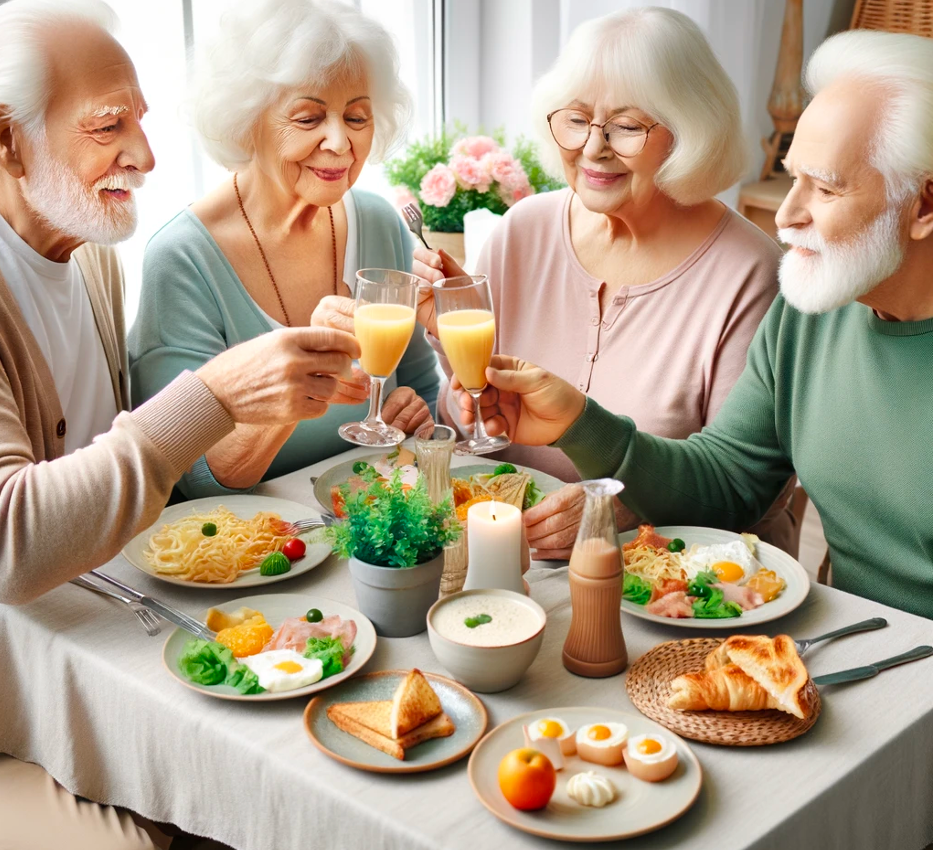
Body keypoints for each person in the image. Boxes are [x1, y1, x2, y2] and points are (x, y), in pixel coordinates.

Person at [0, 1, 359, 845]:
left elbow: (117, 475)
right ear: (7, 138)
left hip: (118, 643)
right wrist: (215, 396)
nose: (147, 155)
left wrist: (269, 409)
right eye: (107, 125)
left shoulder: (89, 258)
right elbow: (12, 538)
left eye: (143, 121)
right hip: (26, 687)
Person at [453, 30, 933, 619]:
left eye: (825, 188)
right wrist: (579, 422)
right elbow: (729, 477)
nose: (786, 215)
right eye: (793, 178)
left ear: (925, 205)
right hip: (858, 640)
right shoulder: (813, 309)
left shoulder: (775, 280)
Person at [313, 7, 797, 559]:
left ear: (690, 132)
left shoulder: (751, 272)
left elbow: (740, 490)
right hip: (511, 562)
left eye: (627, 125)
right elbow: (472, 424)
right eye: (576, 119)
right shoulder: (523, 228)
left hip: (677, 584)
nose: (593, 147)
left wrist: (614, 509)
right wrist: (458, 364)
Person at [129, 0, 439, 498]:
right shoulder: (182, 258)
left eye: (356, 117)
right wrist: (301, 373)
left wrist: (413, 414)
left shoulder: (380, 222)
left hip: (365, 529)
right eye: (309, 117)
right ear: (247, 120)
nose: (339, 141)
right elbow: (193, 478)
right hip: (260, 555)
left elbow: (424, 388)